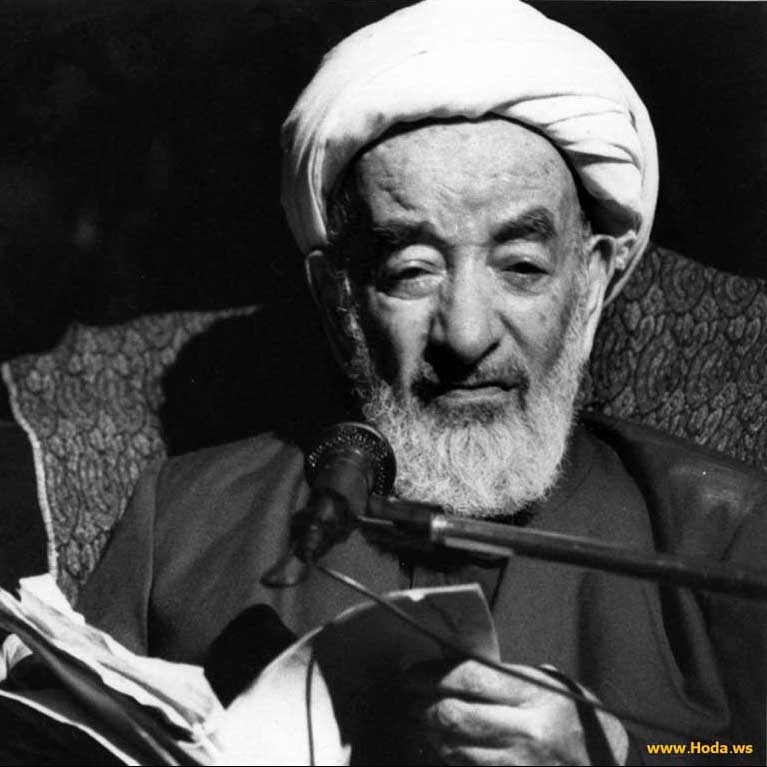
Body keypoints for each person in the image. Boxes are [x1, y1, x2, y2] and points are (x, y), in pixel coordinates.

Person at [78, 0, 767, 763]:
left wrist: (625, 754)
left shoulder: (727, 537)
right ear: (339, 299)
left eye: (521, 266)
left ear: (591, 283)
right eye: (411, 270)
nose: (465, 335)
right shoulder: (179, 526)